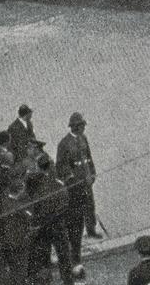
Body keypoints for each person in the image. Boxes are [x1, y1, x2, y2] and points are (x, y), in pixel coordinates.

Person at [55, 112, 96, 274]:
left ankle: (91, 229)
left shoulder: (83, 138)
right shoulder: (64, 144)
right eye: (81, 126)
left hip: (86, 181)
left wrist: (93, 172)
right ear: (75, 127)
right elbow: (61, 166)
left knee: (90, 205)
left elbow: (89, 157)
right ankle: (76, 248)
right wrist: (71, 179)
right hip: (75, 186)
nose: (83, 128)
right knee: (77, 214)